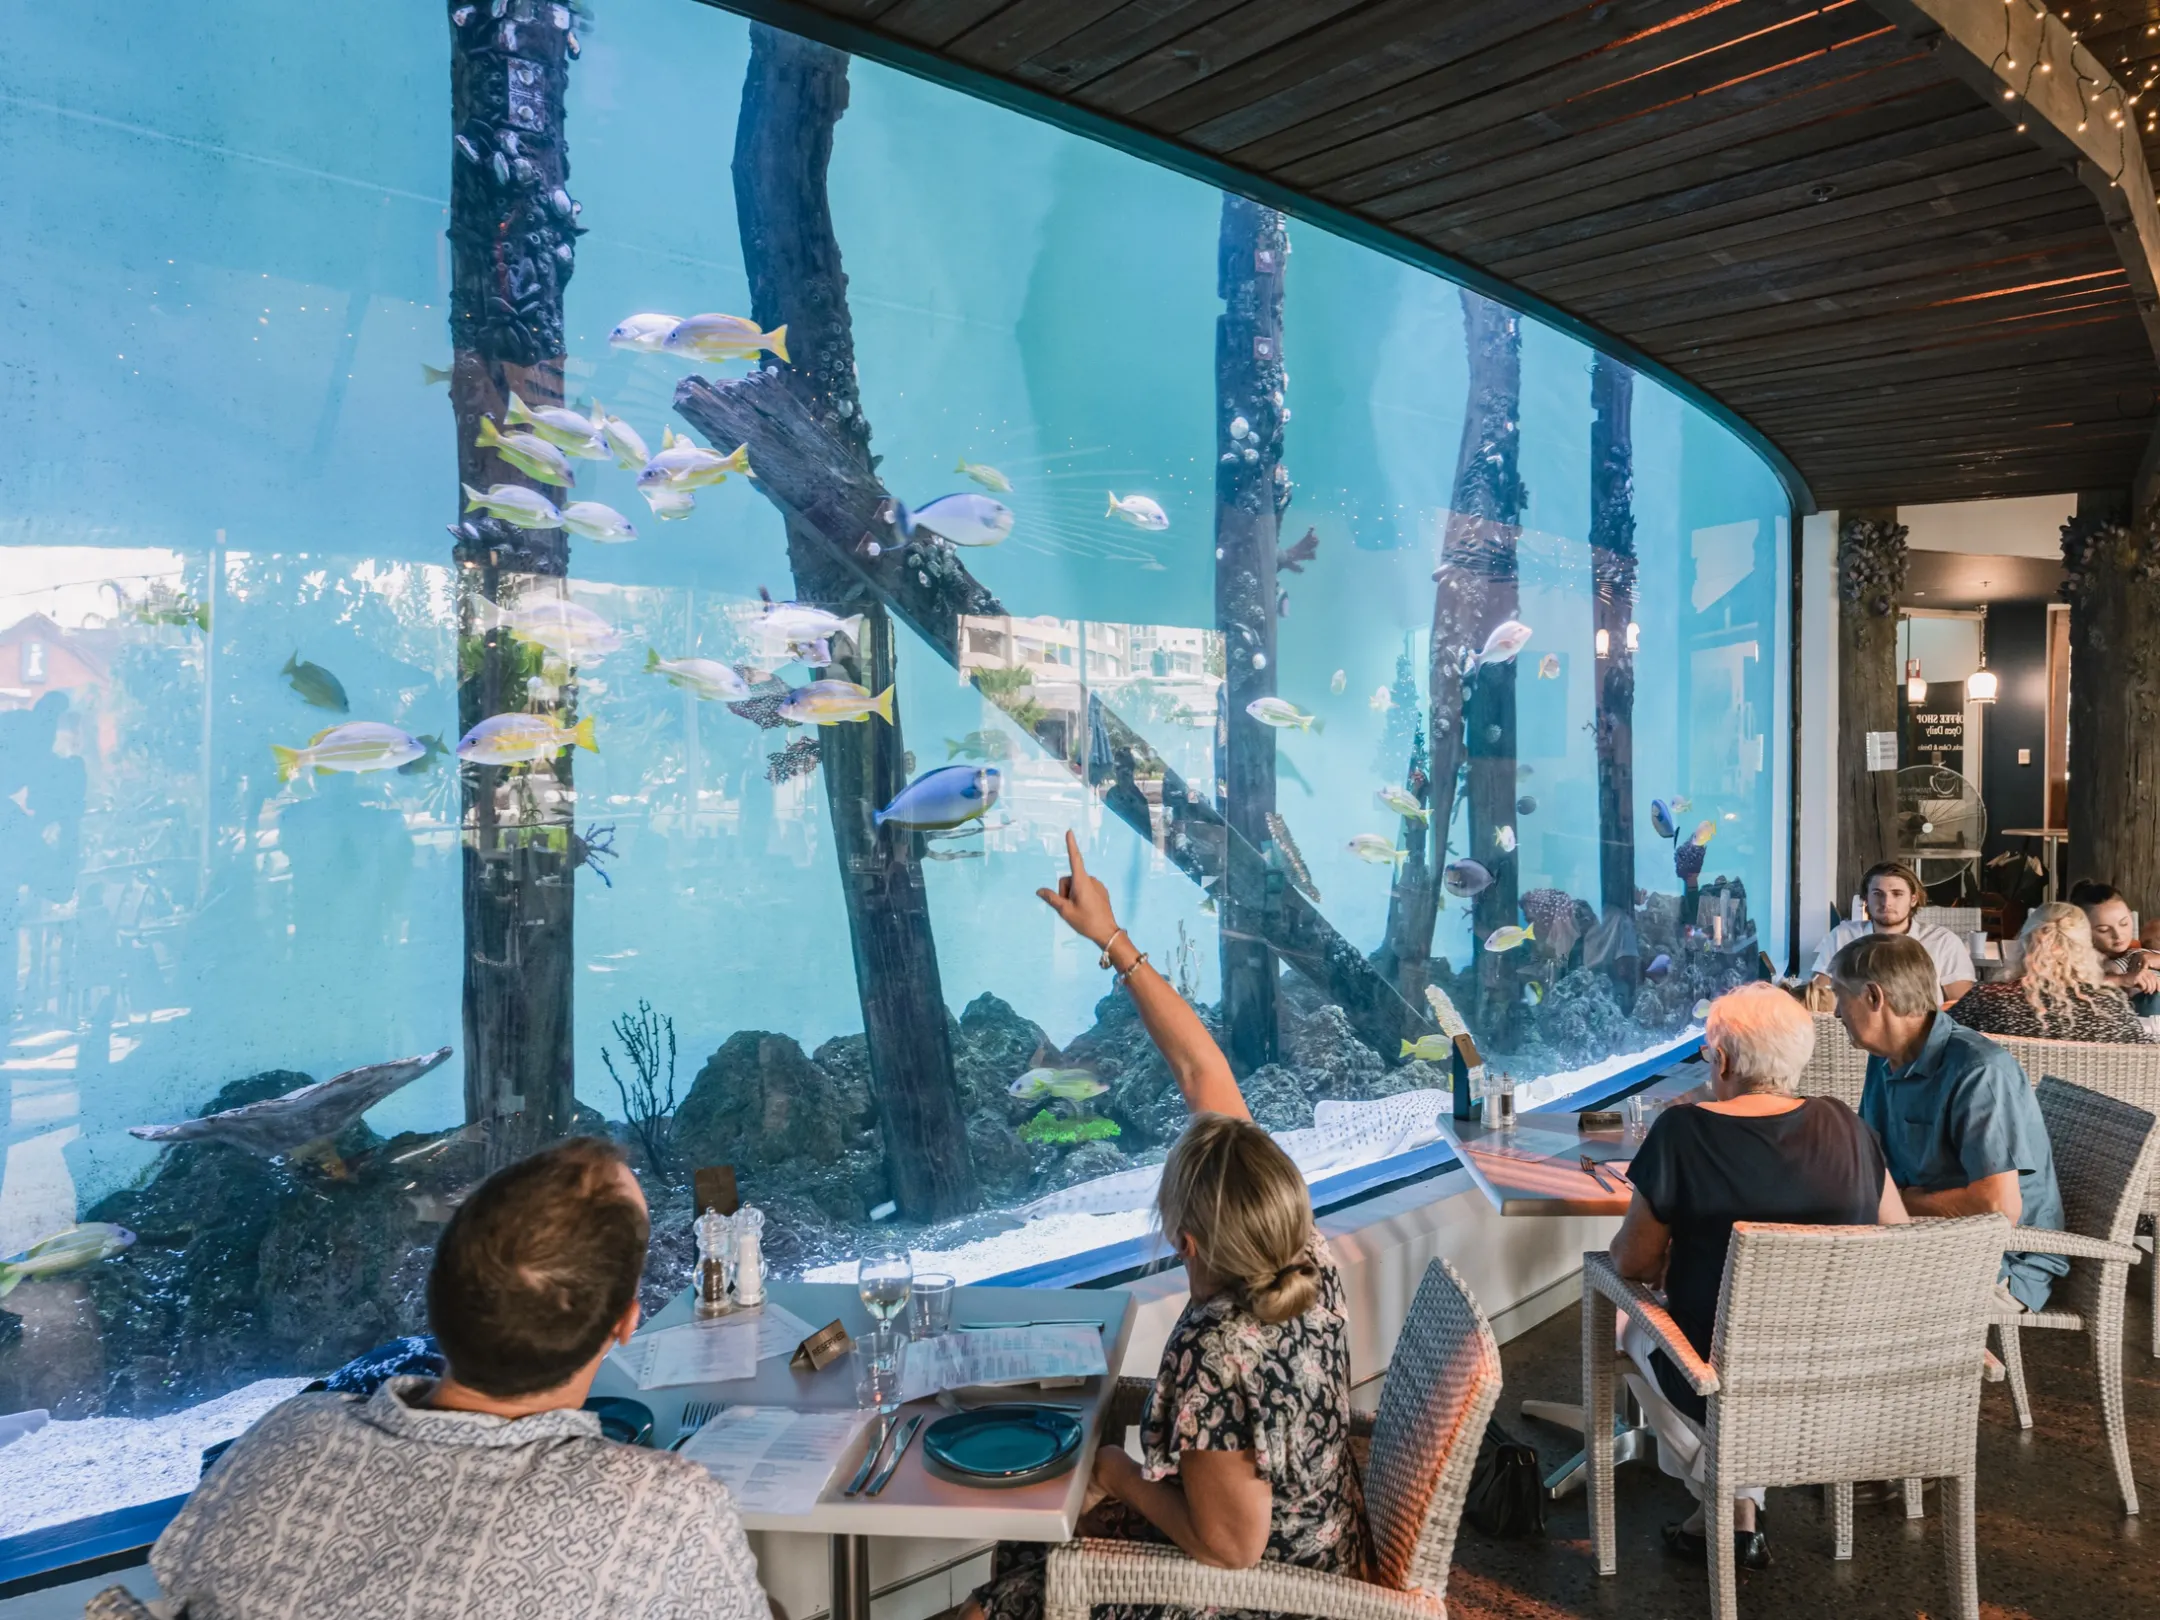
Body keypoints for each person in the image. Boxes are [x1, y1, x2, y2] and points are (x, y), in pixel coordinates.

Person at [964, 833, 1366, 1620]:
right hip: (1321, 1542)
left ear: (1186, 1243)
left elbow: (1233, 1548)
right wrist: (1112, 940)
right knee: (1031, 1551)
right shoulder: (1302, 1257)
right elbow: (1202, 1074)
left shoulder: (1214, 1352)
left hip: (1269, 1595)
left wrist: (1117, 1473)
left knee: (1015, 1590)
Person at [146, 1137, 772, 1620]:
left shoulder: (284, 1439)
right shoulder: (662, 1511)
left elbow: (176, 1574)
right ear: (626, 1323)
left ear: (438, 1300)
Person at [1611, 984, 1904, 1571]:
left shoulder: (1683, 1132)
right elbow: (1895, 1237)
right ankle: (1736, 1508)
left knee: (1625, 1325)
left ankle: (1729, 1497)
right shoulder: (1848, 1126)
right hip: (1835, 1363)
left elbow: (1631, 1264)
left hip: (1718, 1367)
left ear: (1720, 1060)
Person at [1831, 933, 2067, 1316]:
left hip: (2000, 1264)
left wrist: (1898, 1204)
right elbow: (1872, 1156)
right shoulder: (1884, 1056)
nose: (1838, 1013)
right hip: (1925, 1238)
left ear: (1874, 997)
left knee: (1825, 1294)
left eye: (1841, 997)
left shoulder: (1979, 1070)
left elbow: (1997, 1206)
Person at [1948, 901, 2151, 1043]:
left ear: (2024, 945)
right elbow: (2142, 1056)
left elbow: (1935, 1042)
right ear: (2086, 950)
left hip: (2007, 1103)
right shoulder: (2110, 1005)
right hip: (2089, 1104)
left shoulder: (1987, 1000)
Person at [1809, 860, 1974, 1004]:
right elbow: (1819, 994)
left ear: (1913, 899)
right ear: (1866, 899)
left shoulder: (1942, 941)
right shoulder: (1843, 936)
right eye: (1877, 894)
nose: (1886, 902)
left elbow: (1960, 1003)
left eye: (1897, 894)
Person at [2069, 880, 2160, 1016]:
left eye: (2124, 923)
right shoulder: (2074, 957)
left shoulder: (2140, 947)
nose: (2118, 935)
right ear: (2083, 929)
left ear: (2130, 915)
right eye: (2104, 930)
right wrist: (2121, 980)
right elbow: (2065, 988)